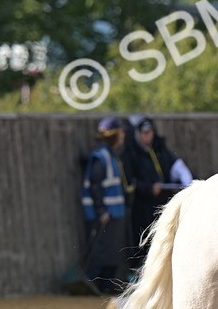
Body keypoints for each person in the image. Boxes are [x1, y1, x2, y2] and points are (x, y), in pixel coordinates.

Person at [125, 115, 191, 269]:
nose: (148, 136)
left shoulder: (159, 149)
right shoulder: (131, 153)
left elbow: (176, 167)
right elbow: (130, 182)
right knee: (143, 239)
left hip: (162, 202)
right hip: (142, 206)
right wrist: (148, 188)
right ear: (137, 134)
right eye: (144, 133)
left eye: (150, 132)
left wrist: (187, 182)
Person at [80, 117, 131, 295]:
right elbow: (94, 186)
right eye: (121, 132)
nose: (124, 135)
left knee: (112, 251)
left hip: (115, 212)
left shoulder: (111, 156)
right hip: (104, 214)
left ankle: (107, 284)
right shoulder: (100, 158)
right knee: (100, 250)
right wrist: (101, 210)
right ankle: (92, 283)